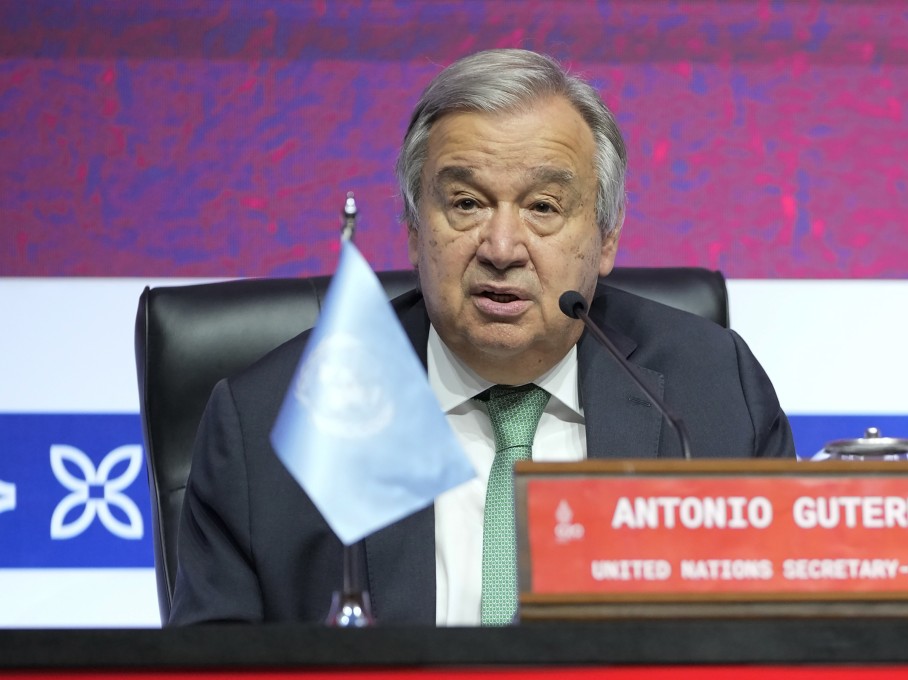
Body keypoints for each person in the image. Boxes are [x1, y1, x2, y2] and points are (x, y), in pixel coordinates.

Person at [169, 48, 795, 627]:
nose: (500, 249)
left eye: (544, 207)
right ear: (415, 229)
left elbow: (785, 646)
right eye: (466, 203)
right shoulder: (270, 425)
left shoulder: (712, 400)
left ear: (606, 238)